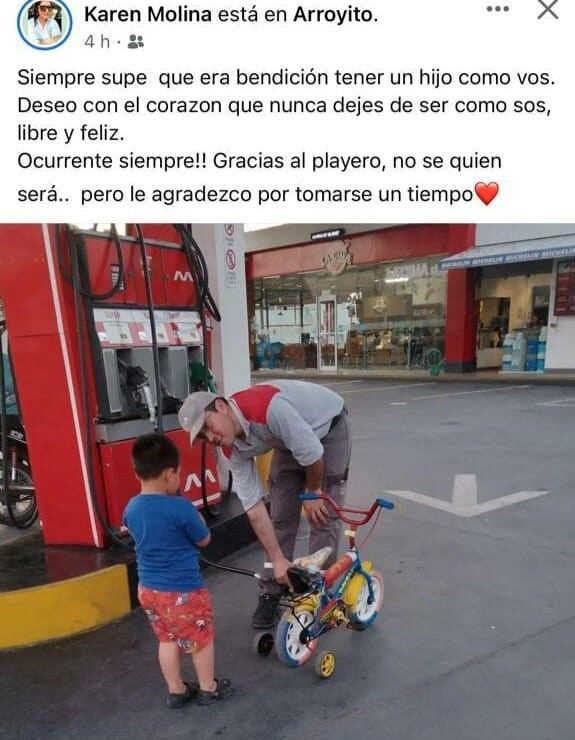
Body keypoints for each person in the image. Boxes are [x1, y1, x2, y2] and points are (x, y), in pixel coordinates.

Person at [178, 380, 351, 630]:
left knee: (322, 514)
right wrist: (278, 559)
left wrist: (313, 492)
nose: (210, 437)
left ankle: (317, 594)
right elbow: (255, 509)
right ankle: (273, 587)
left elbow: (312, 453)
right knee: (280, 515)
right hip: (289, 437)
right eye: (203, 437)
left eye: (207, 426)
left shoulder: (268, 408)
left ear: (221, 406)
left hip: (328, 427)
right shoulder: (231, 449)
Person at [122, 433, 233, 708]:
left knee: (167, 638)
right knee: (200, 640)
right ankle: (209, 688)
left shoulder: (131, 508)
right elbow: (203, 539)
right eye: (179, 473)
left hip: (148, 589)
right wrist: (195, 517)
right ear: (170, 474)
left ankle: (177, 690)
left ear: (137, 472)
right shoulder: (181, 508)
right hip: (183, 590)